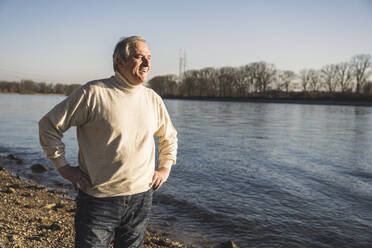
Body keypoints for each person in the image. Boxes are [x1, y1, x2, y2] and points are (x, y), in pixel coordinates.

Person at [39, 36, 178, 248]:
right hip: (98, 200)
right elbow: (48, 126)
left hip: (141, 198)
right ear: (119, 61)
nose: (147, 64)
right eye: (139, 57)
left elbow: (169, 137)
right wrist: (64, 168)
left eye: (149, 58)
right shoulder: (93, 93)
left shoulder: (152, 99)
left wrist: (165, 168)